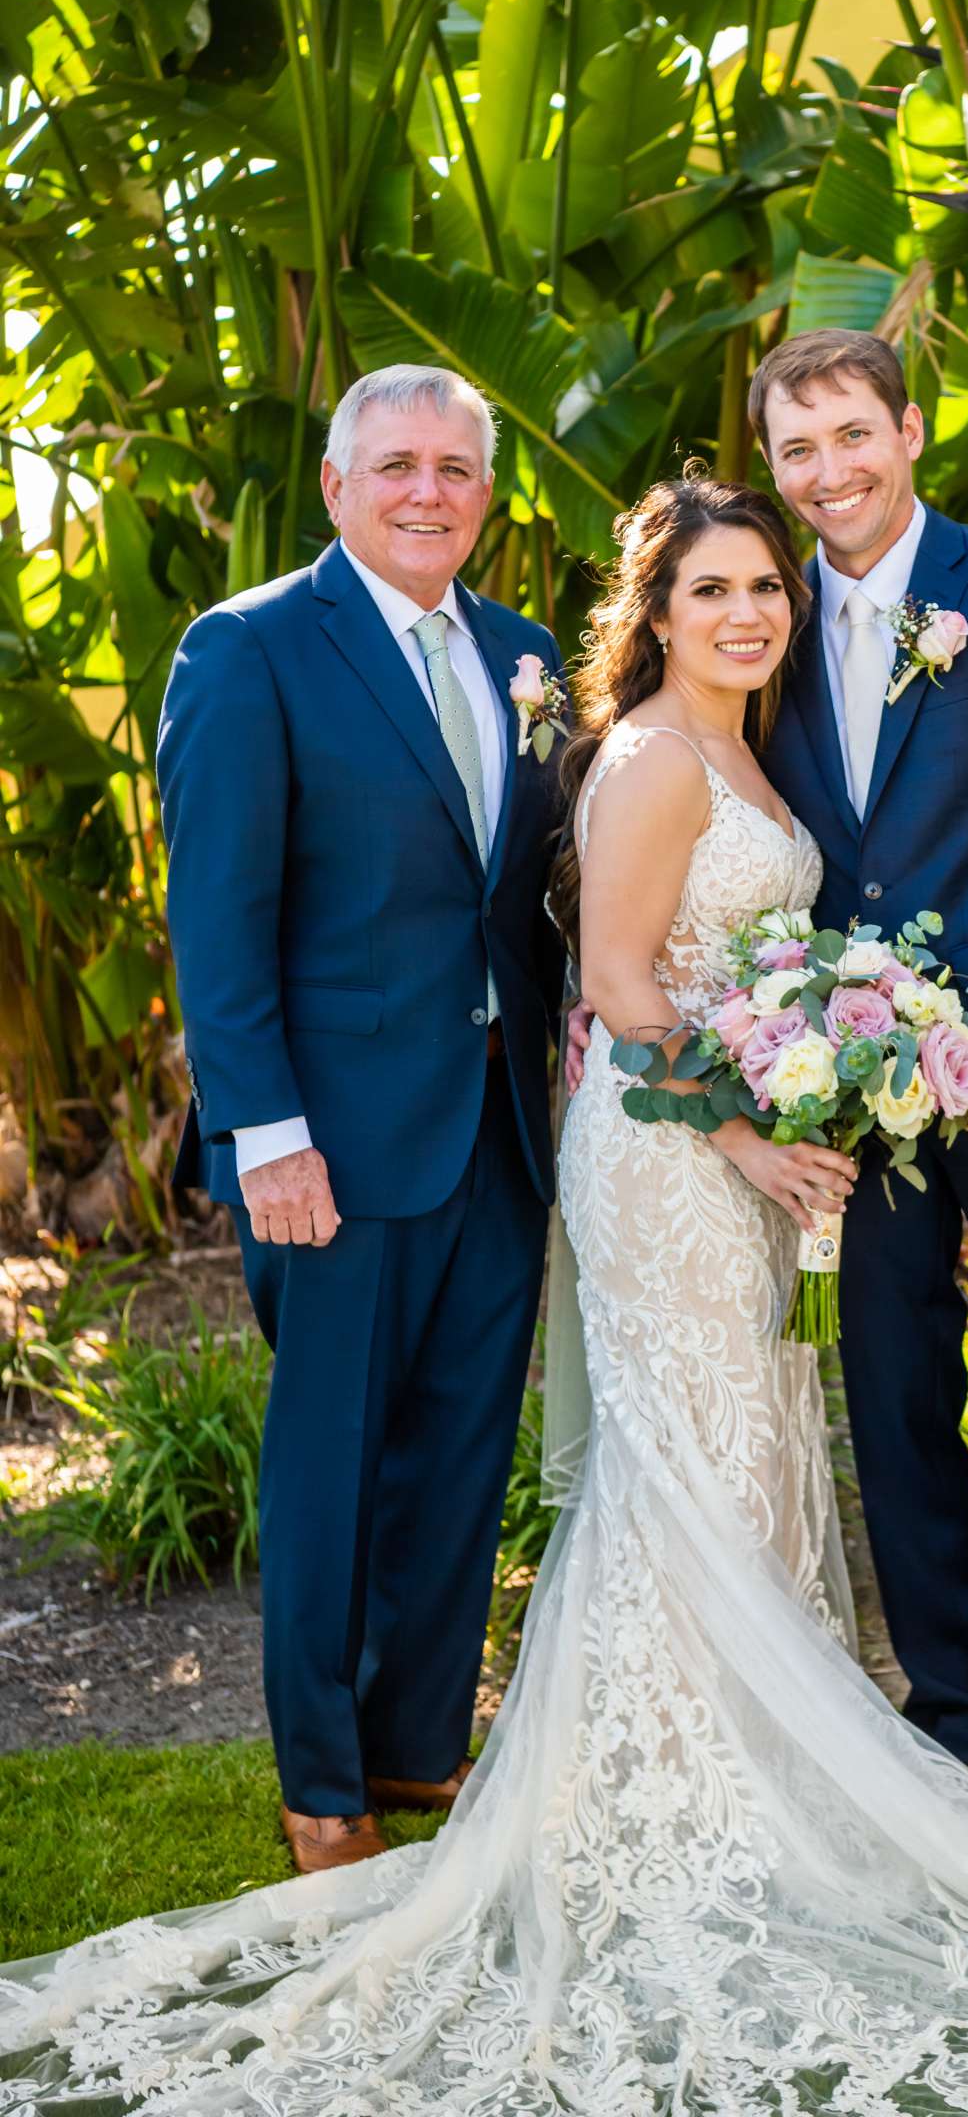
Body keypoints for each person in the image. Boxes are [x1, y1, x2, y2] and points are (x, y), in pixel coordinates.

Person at [4, 466, 968, 2117]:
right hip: (677, 1156)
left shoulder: (745, 752)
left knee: (748, 1445)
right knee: (690, 1456)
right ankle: (674, 1792)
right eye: (712, 593)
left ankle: (747, 1771)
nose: (749, 613)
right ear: (661, 609)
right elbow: (621, 988)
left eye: (765, 588)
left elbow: (745, 963)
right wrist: (762, 1132)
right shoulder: (642, 757)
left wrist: (816, 1079)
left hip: (748, 1153)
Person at [570, 329, 968, 1869]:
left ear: (909, 431)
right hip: (844, 1092)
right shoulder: (757, 634)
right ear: (772, 468)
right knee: (899, 1413)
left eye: (853, 435)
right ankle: (958, 1733)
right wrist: (791, 1069)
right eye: (797, 450)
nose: (829, 472)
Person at [153, 363, 568, 1876]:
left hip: (494, 1134)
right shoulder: (252, 649)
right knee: (330, 1464)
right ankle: (319, 1784)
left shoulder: (526, 657)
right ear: (337, 486)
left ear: (482, 493)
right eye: (394, 464)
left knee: (459, 1457)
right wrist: (263, 1131)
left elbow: (523, 901)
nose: (425, 491)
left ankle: (410, 1753)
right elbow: (219, 915)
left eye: (455, 469)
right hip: (329, 1144)